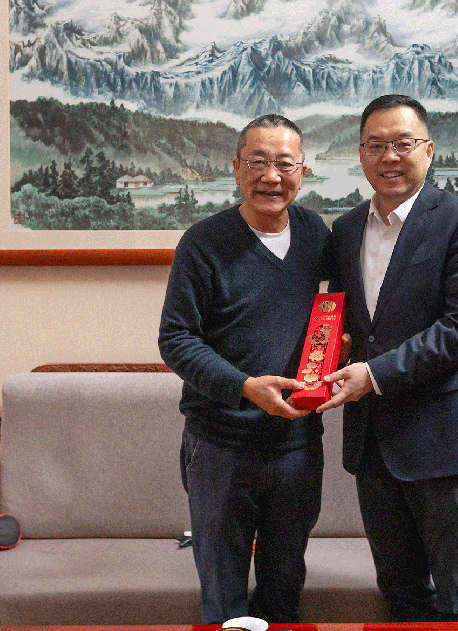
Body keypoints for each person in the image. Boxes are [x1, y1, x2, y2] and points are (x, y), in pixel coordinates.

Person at [319, 94, 458, 621]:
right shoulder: (345, 229)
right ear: (361, 154)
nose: (389, 157)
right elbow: (343, 321)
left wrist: (373, 374)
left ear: (429, 150)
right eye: (375, 146)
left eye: (402, 143)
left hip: (443, 435)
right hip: (372, 442)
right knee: (399, 597)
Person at [158, 114, 333, 624]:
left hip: (296, 445)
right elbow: (175, 339)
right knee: (223, 601)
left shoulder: (313, 233)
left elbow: (336, 309)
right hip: (221, 446)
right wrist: (245, 387)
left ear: (303, 172)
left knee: (284, 591)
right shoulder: (203, 243)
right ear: (236, 168)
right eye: (257, 162)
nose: (271, 176)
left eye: (284, 164)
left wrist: (341, 346)